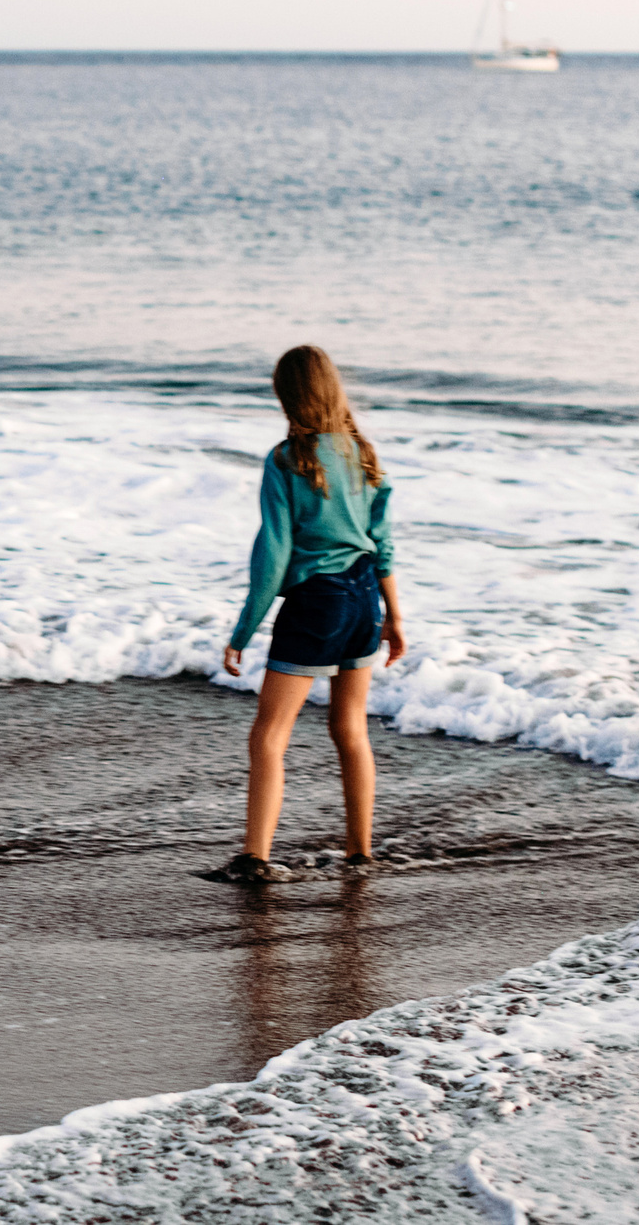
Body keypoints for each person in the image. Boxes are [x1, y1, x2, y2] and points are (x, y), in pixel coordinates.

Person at [208, 346, 405, 883]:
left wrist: (244, 628)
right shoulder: (363, 453)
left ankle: (255, 857)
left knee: (269, 734)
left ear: (287, 395)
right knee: (350, 728)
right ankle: (360, 852)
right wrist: (394, 615)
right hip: (364, 597)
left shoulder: (286, 459)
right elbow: (383, 542)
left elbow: (272, 553)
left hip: (317, 603)